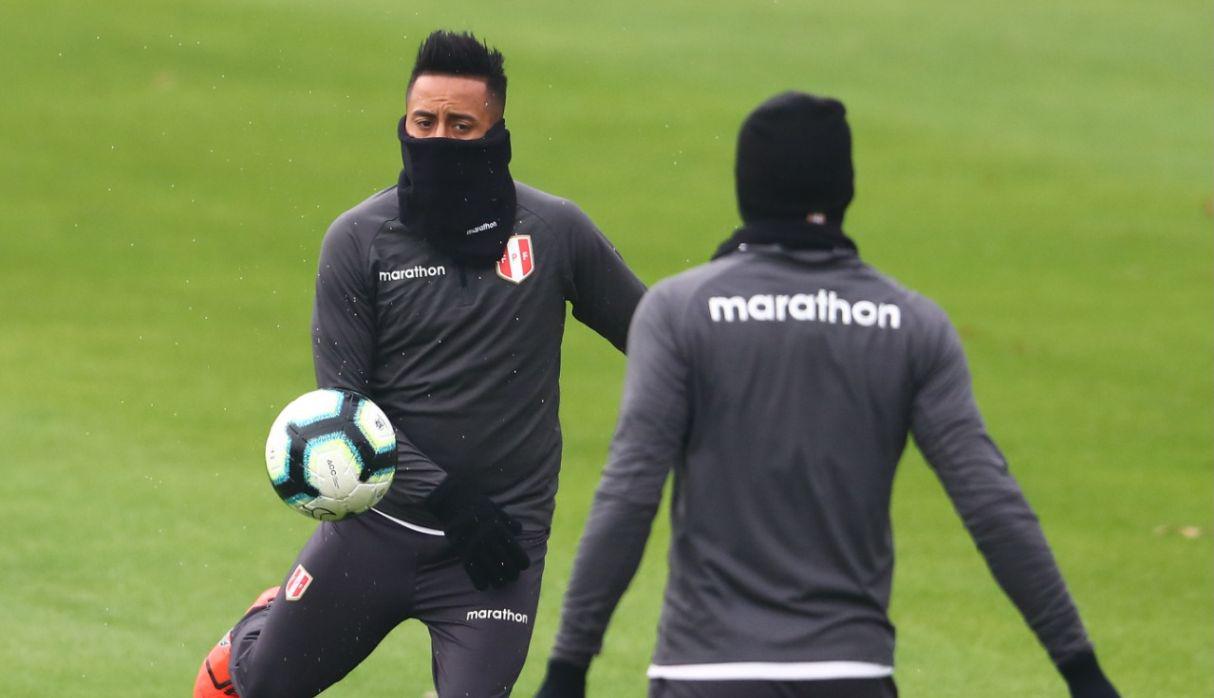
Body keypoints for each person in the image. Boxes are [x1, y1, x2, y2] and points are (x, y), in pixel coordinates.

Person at [533, 93, 1120, 698]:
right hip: (850, 673)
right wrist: (1080, 668)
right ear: (846, 190)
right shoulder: (910, 323)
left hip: (704, 673)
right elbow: (992, 507)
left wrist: (569, 664)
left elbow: (628, 495)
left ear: (746, 187)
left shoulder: (680, 313)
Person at [194, 30, 646, 698]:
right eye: (423, 122)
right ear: (403, 126)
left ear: (495, 132)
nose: (438, 139)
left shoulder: (553, 232)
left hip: (496, 549)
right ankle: (264, 622)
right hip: (373, 530)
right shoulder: (359, 239)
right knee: (258, 687)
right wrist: (448, 495)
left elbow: (655, 334)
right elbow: (342, 413)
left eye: (461, 126)